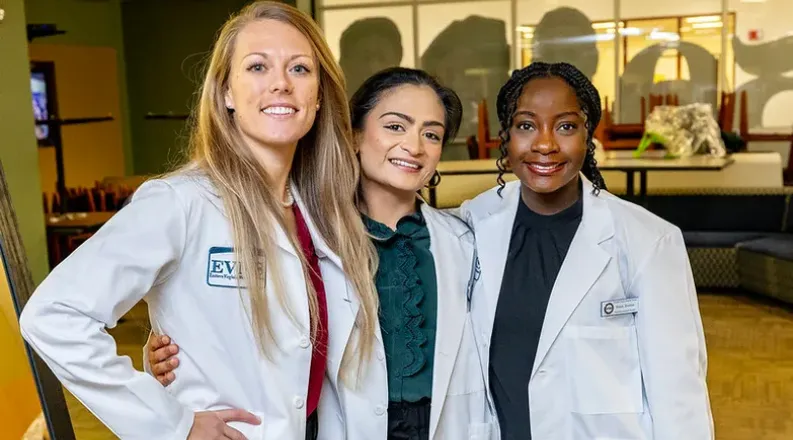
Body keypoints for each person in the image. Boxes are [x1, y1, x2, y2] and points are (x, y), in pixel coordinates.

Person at [18, 2, 381, 439]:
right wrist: (175, 424)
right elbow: (53, 315)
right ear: (226, 93)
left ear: (319, 95)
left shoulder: (325, 212)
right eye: (257, 67)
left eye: (300, 69)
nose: (281, 84)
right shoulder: (180, 202)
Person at [145, 67, 497, 440]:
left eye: (432, 134)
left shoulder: (463, 241)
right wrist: (163, 358)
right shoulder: (304, 235)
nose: (415, 146)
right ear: (354, 135)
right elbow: (235, 322)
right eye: (396, 126)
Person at [460, 61, 714, 439]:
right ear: (506, 136)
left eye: (565, 126)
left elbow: (678, 392)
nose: (545, 144)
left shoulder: (648, 241)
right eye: (526, 126)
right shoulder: (473, 224)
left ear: (587, 135)